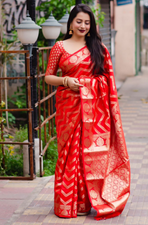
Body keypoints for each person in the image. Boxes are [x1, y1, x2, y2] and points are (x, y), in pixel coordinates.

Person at [45, 4, 130, 221]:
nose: (83, 25)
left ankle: (83, 202)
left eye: (87, 22)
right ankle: (66, 203)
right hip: (67, 108)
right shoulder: (60, 47)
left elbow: (107, 81)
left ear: (91, 26)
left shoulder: (98, 49)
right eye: (79, 21)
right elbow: (48, 77)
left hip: (93, 112)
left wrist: (84, 84)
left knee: (87, 154)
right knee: (67, 153)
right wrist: (65, 81)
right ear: (71, 24)